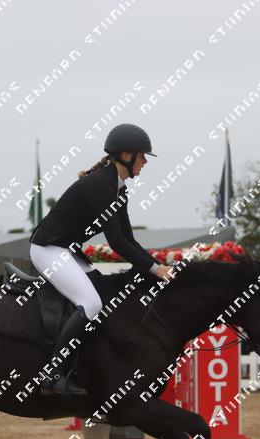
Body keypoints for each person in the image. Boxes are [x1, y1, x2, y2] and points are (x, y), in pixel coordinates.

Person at [28, 123, 174, 398]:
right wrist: (155, 269)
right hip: (47, 250)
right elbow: (116, 243)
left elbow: (129, 239)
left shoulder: (118, 189)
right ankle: (53, 374)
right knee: (92, 303)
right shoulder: (100, 186)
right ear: (126, 155)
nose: (144, 162)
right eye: (142, 156)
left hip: (67, 251)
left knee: (102, 296)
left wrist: (156, 267)